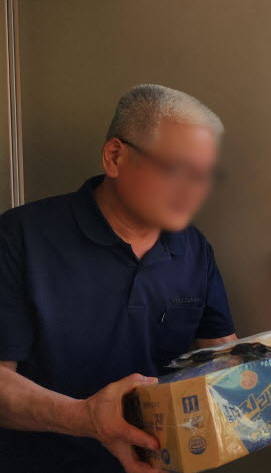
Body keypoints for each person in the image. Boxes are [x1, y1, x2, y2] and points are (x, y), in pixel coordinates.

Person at [0, 84, 238, 472]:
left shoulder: (193, 247)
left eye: (202, 175)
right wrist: (85, 417)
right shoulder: (19, 237)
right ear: (115, 157)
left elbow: (222, 356)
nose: (193, 191)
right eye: (176, 169)